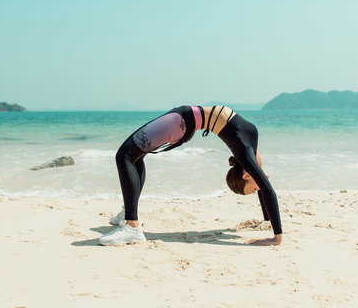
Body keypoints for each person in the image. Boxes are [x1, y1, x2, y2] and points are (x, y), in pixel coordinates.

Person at [99, 105, 283, 246]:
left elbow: (263, 186)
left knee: (126, 155)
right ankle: (129, 219)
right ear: (246, 176)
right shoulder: (247, 152)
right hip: (181, 121)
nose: (260, 183)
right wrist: (276, 236)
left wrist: (270, 227)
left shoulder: (248, 150)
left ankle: (131, 224)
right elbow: (268, 190)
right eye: (255, 188)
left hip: (182, 121)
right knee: (131, 156)